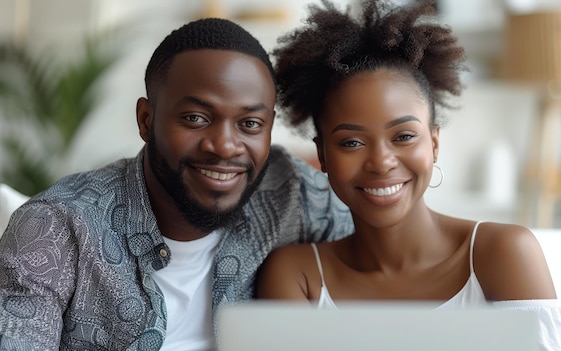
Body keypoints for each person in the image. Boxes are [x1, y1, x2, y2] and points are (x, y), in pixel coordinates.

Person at [255, 0, 561, 350]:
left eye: (404, 136)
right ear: (323, 155)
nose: (381, 162)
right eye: (351, 142)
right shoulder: (297, 276)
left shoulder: (499, 254)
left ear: (434, 143)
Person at [0, 18, 353, 350]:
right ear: (146, 120)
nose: (225, 146)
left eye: (249, 124)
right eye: (196, 118)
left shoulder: (293, 192)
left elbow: (396, 250)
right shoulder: (57, 227)